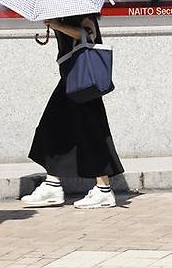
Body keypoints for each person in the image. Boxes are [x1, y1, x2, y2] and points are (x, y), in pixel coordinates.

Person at [20, 14, 124, 209]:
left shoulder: (82, 11)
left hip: (83, 78)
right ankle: (52, 185)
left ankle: (103, 190)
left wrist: (58, 25)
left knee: (93, 132)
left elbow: (88, 33)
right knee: (54, 128)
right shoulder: (63, 10)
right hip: (72, 77)